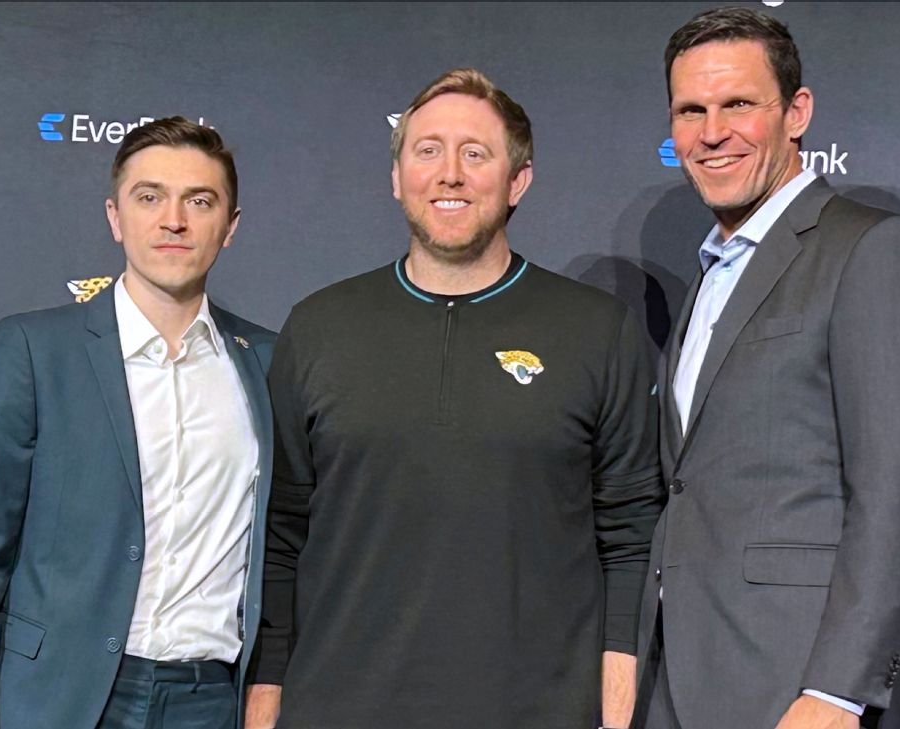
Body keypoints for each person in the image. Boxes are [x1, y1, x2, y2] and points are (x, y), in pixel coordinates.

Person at [245, 68, 662, 729]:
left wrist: (615, 705)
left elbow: (632, 535)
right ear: (397, 176)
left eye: (475, 154)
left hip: (536, 712)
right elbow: (281, 536)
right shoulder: (319, 327)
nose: (450, 174)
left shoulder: (597, 330)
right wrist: (267, 694)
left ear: (517, 181)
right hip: (338, 707)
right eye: (428, 151)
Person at [633, 7, 900, 729]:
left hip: (795, 683)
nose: (712, 132)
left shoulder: (872, 249)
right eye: (691, 111)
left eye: (739, 104)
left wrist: (839, 690)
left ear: (797, 112)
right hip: (678, 675)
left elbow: (899, 490)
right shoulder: (713, 270)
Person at [0, 117, 276, 729]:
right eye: (149, 197)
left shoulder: (270, 362)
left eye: (200, 201)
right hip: (59, 697)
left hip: (208, 703)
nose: (174, 220)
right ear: (115, 217)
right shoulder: (35, 350)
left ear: (231, 226)